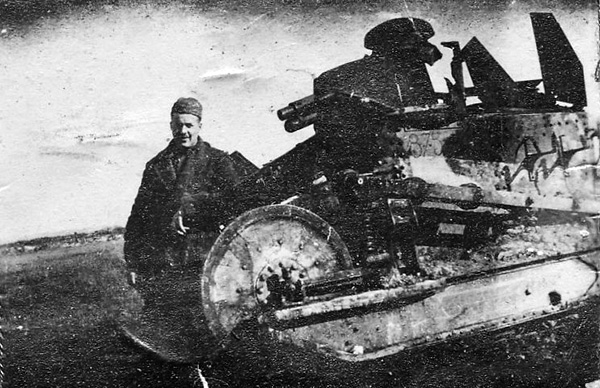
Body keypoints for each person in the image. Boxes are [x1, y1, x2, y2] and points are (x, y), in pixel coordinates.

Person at [124, 97, 240, 278]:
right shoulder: (155, 166)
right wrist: (133, 264)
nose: (183, 131)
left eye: (189, 125)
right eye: (178, 125)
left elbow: (235, 200)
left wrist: (189, 206)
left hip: (209, 259)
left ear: (199, 126)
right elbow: (139, 217)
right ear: (171, 126)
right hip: (164, 262)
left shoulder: (219, 161)